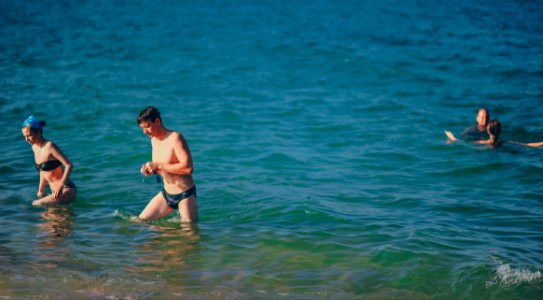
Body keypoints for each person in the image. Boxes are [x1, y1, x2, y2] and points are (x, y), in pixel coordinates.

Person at [136, 106, 198, 222]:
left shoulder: (175, 138)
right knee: (140, 221)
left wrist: (158, 165)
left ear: (157, 121)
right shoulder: (153, 140)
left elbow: (188, 168)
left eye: (147, 127)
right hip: (167, 194)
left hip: (185, 194)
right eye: (142, 128)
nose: (145, 132)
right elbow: (164, 166)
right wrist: (152, 170)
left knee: (189, 231)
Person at [21, 115, 76, 205]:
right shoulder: (34, 148)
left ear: (39, 132)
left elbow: (69, 165)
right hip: (54, 193)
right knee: (52, 218)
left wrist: (61, 185)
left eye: (29, 135)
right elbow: (42, 170)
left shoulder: (49, 146)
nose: (27, 139)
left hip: (66, 189)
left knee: (37, 203)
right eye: (25, 136)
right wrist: (41, 191)